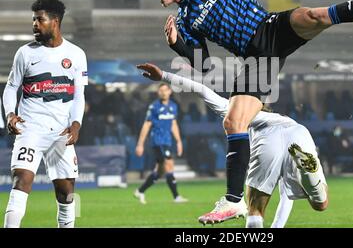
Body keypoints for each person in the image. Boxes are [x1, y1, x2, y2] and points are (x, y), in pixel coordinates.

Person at [146, 0, 353, 221]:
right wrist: (177, 45)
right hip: (256, 59)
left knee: (315, 15)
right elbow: (203, 63)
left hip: (270, 27)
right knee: (233, 122)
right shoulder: (185, 20)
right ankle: (233, 200)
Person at [136, 63, 328, 227]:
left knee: (255, 208)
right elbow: (287, 194)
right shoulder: (276, 115)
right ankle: (310, 178)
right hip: (298, 132)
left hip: (267, 138)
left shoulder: (236, 109)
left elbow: (202, 90)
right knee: (320, 204)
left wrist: (163, 75)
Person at [2, 0, 88, 228]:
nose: (34, 24)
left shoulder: (77, 54)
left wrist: (76, 124)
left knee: (67, 192)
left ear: (55, 21)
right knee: (22, 181)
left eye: (40, 19)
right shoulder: (25, 53)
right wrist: (10, 114)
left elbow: (78, 95)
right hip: (30, 128)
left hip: (61, 132)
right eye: (33, 20)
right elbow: (11, 88)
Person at [134, 83, 188, 204]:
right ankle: (176, 197)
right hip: (157, 141)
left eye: (165, 90)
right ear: (158, 93)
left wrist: (179, 141)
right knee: (169, 164)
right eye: (161, 90)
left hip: (167, 141)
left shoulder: (173, 106)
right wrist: (140, 144)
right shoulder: (154, 107)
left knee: (160, 171)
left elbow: (174, 124)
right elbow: (146, 125)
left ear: (170, 91)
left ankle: (140, 191)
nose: (163, 92)